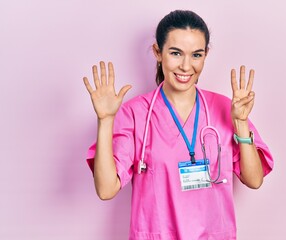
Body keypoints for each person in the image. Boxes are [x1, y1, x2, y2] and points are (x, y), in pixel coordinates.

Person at [83, 10, 273, 240]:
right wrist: (105, 121)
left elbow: (254, 180)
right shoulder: (135, 113)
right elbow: (105, 189)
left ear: (205, 55)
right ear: (158, 52)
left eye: (196, 55)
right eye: (175, 53)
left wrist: (241, 123)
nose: (186, 66)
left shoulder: (227, 109)